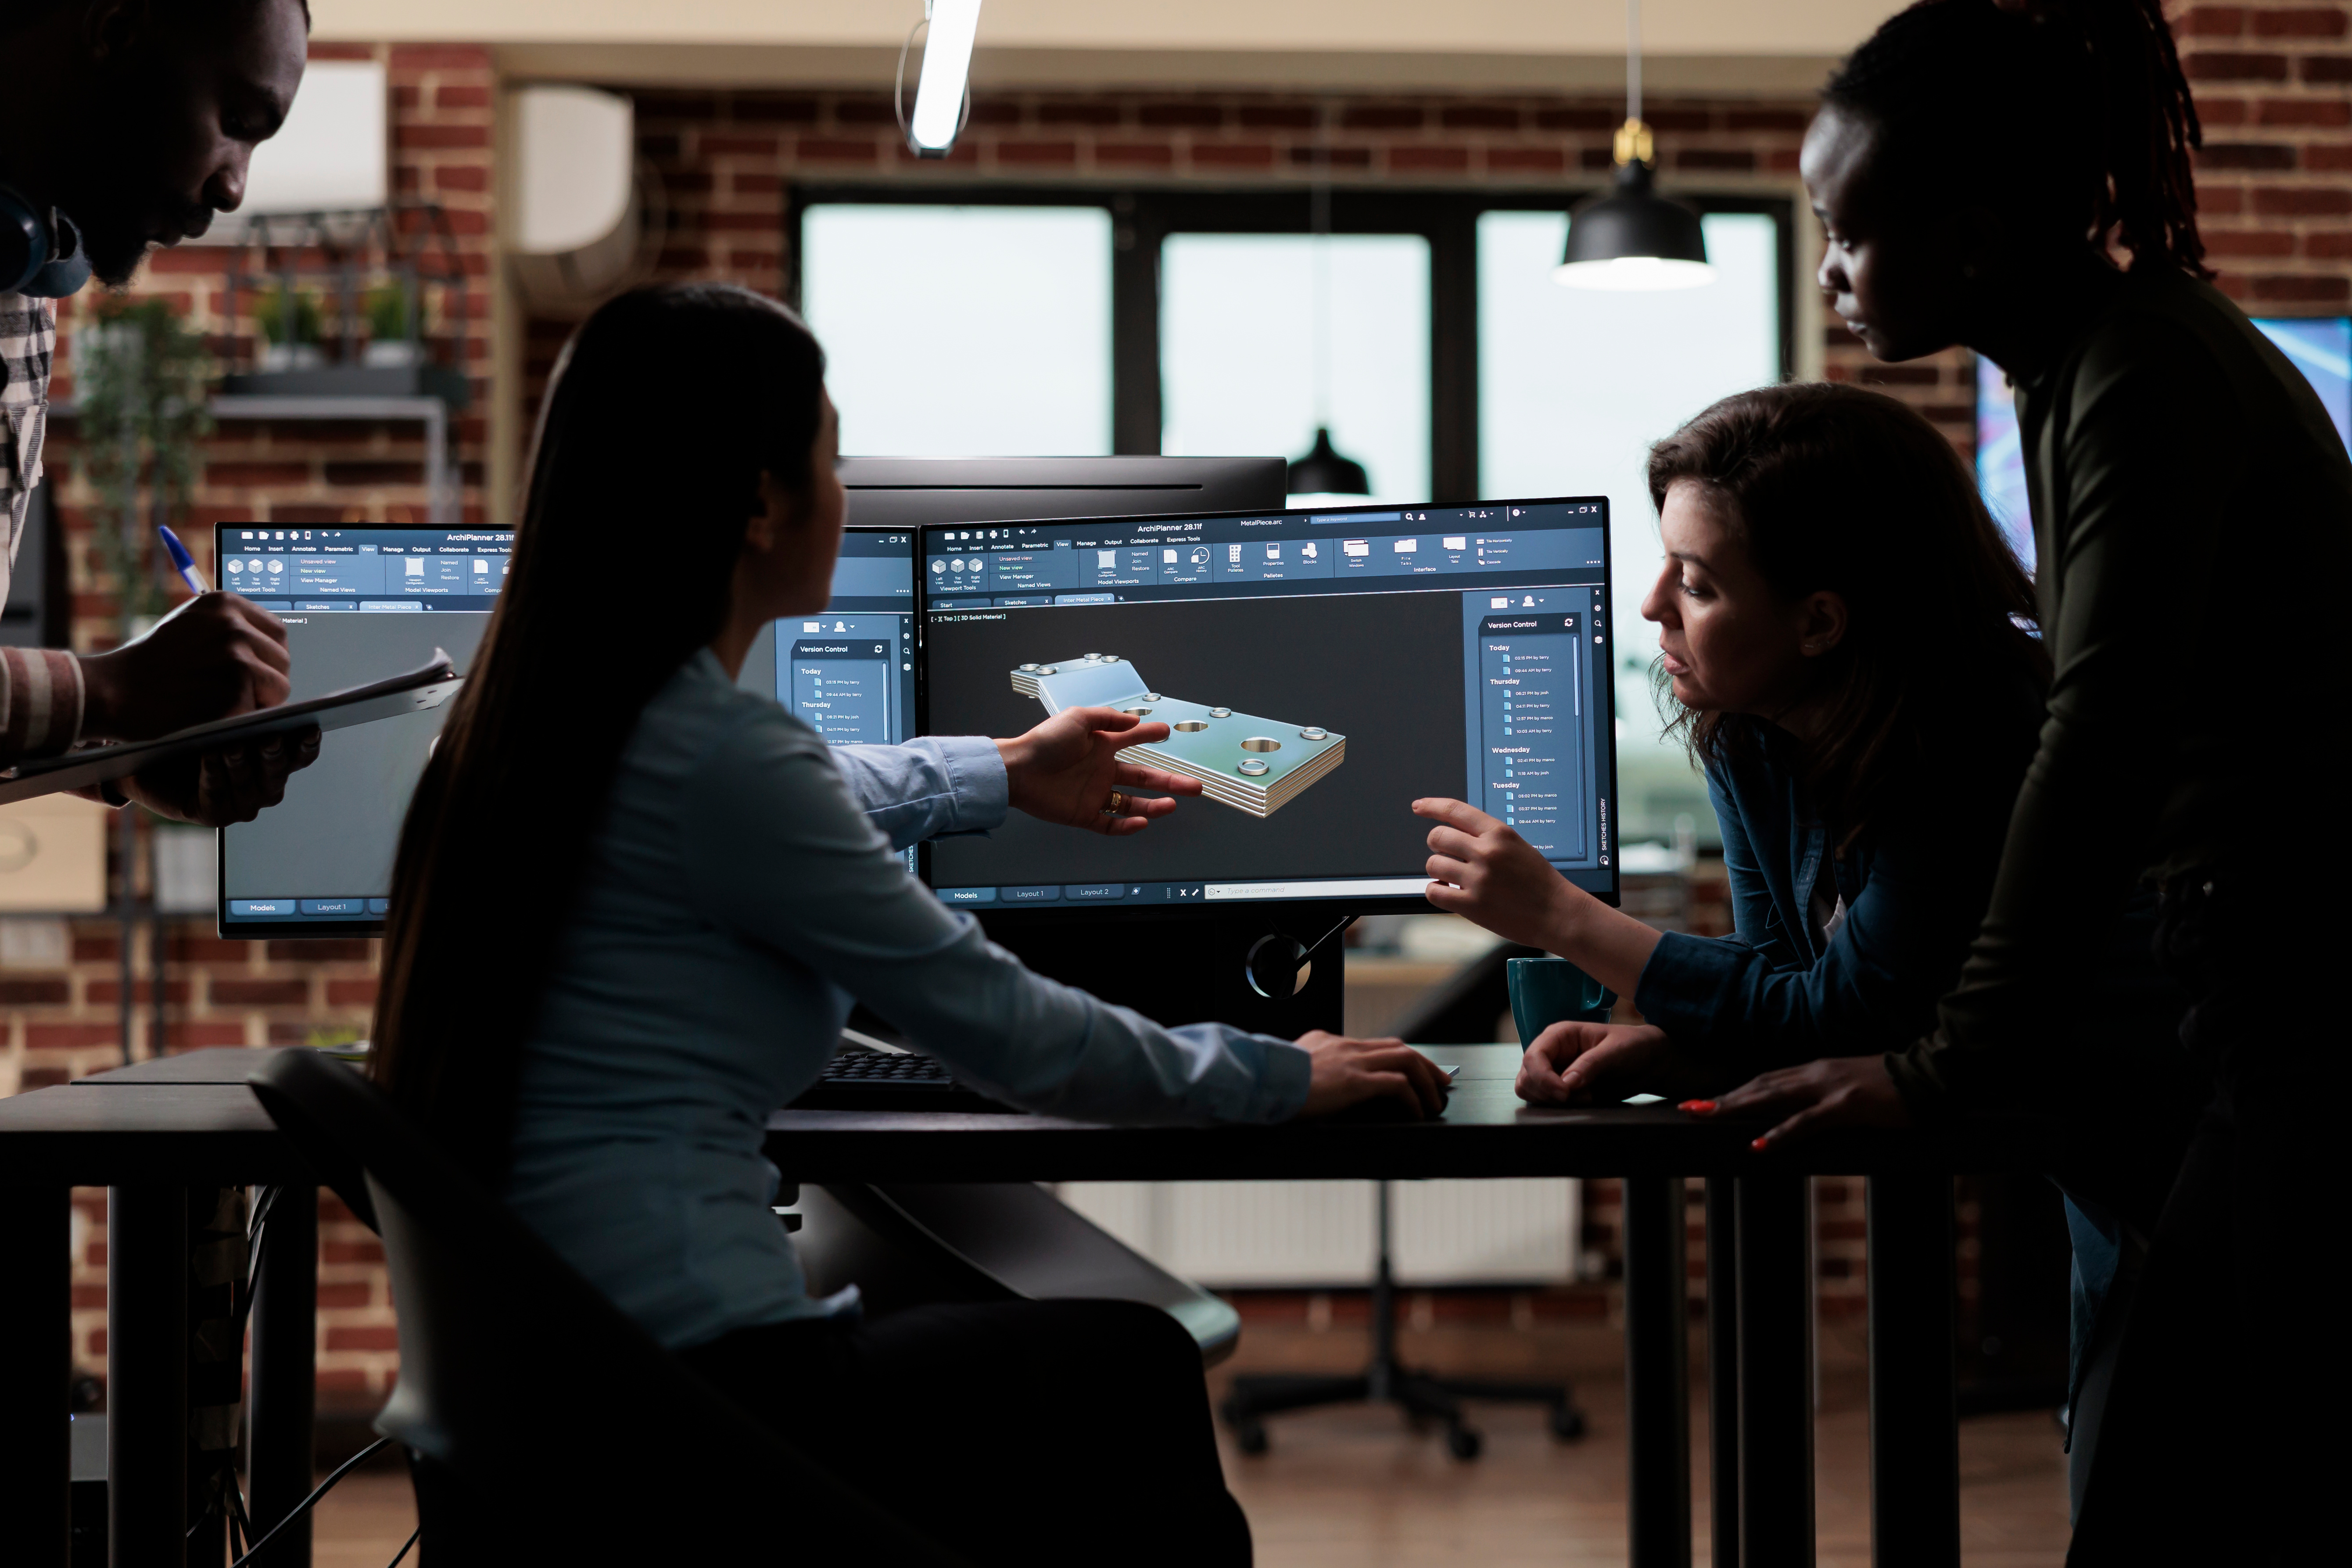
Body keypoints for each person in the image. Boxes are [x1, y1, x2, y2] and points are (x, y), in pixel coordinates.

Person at [369, 283, 1451, 1567]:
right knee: (1132, 1365)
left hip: (535, 1419)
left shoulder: (522, 727)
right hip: (693, 1414)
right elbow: (1017, 1035)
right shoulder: (717, 756)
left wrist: (1005, 768)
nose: (846, 489)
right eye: (831, 454)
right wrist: (1281, 1073)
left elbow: (820, 791)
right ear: (760, 501)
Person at [1691, 3, 2349, 1560]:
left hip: (2302, 983)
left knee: (2176, 1476)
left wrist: (1940, 1063)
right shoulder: (2079, 370)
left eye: (1846, 234)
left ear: (1972, 239)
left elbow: (2101, 741)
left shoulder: (2141, 375)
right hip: (2247, 978)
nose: (1833, 271)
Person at [1412, 382, 2195, 1423]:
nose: (1651, 606)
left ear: (1820, 619)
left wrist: (1563, 916)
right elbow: (1789, 979)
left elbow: (1858, 1011)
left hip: (2188, 1153)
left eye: (1694, 582)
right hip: (2085, 1161)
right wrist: (1690, 1049)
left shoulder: (1969, 734)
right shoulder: (1754, 731)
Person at [0, 0, 317, 821]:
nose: (235, 186)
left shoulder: (30, 276)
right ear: (114, 27)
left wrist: (125, 762)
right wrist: (108, 692)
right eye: (235, 119)